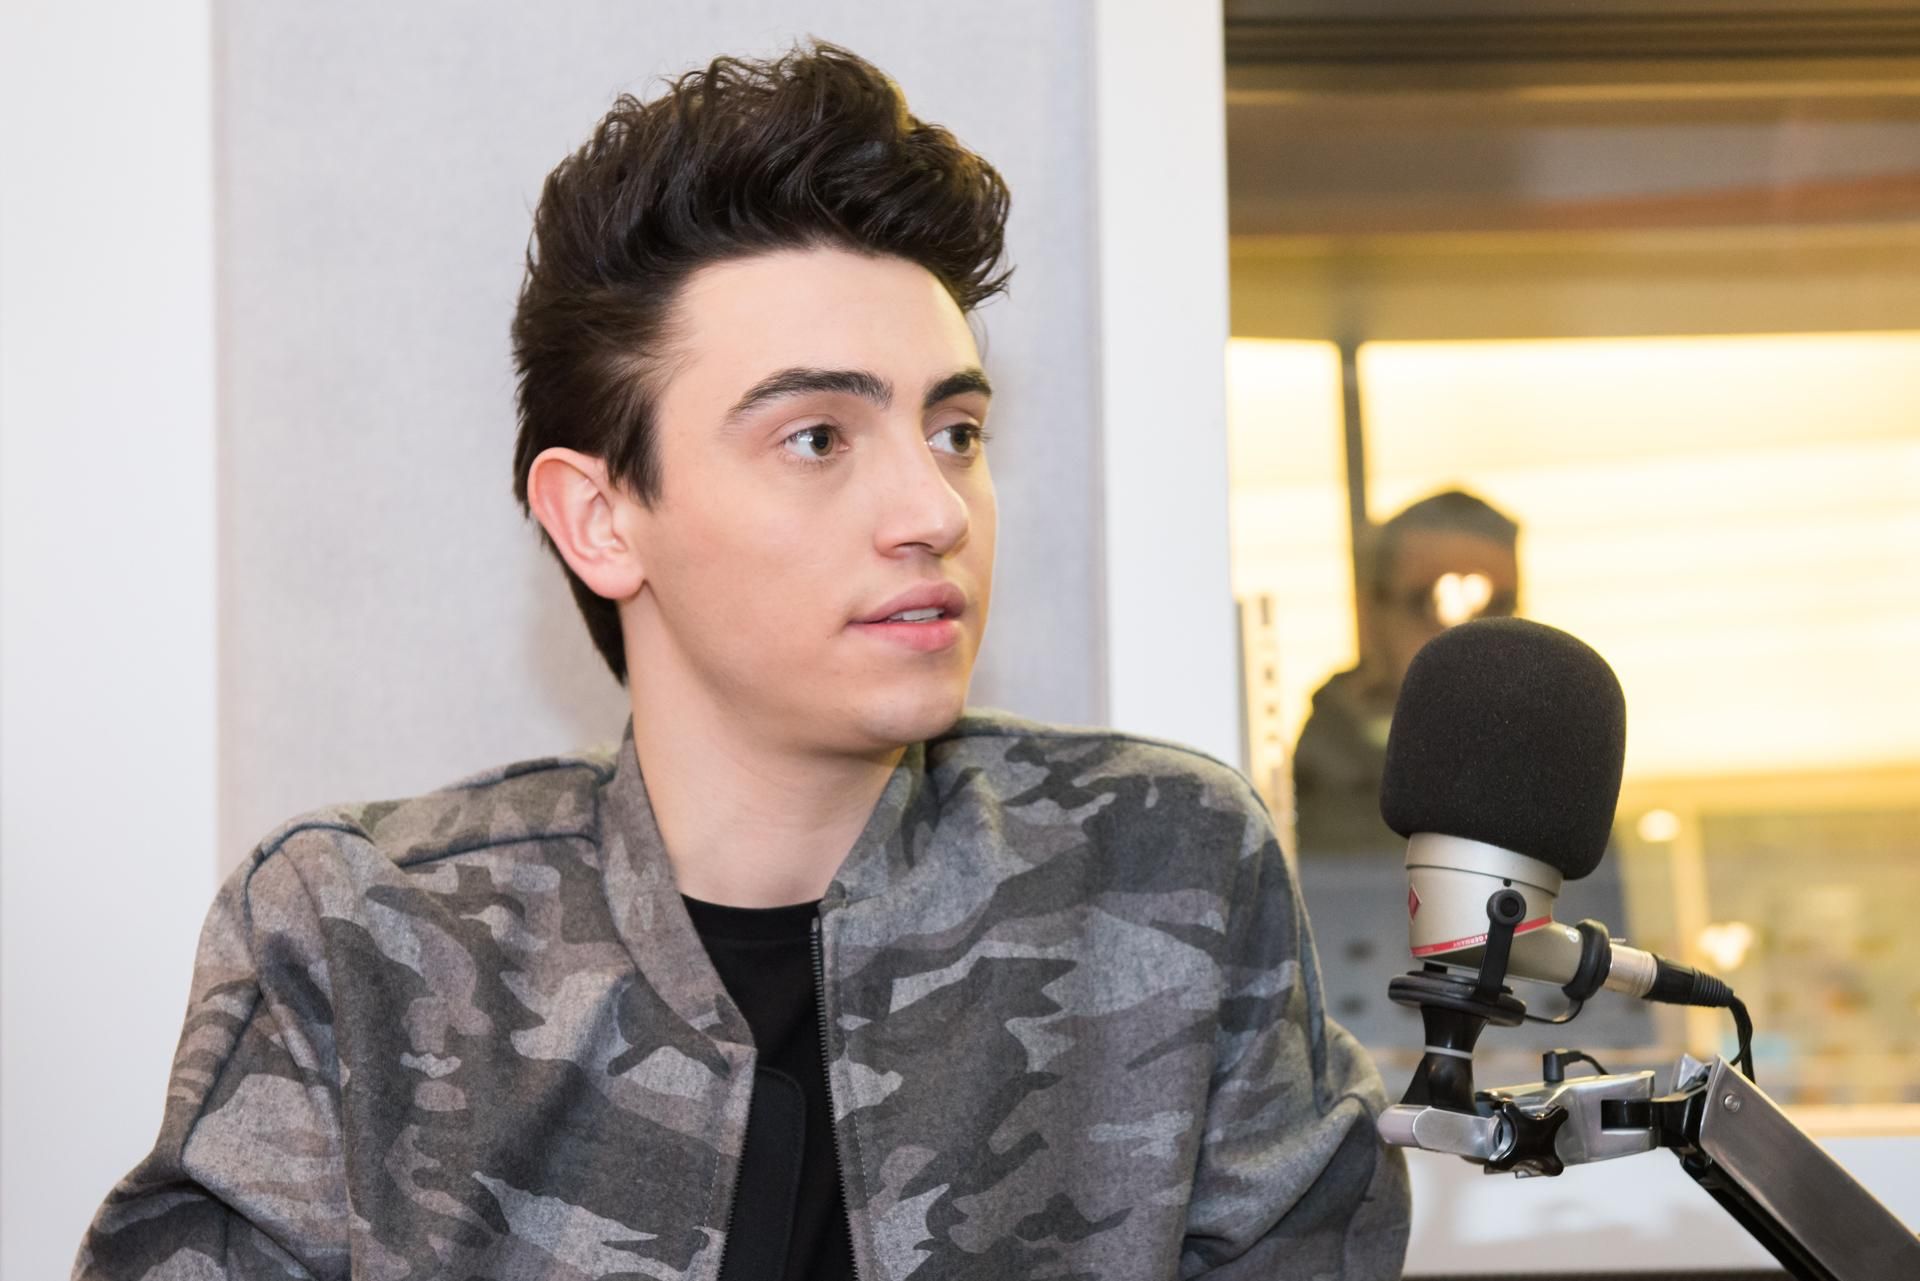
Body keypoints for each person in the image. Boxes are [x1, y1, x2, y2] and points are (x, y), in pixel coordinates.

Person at [76, 43, 1408, 1281]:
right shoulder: (366, 940)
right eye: (817, 438)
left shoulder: (1165, 872)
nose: (933, 510)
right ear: (601, 519)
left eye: (955, 432)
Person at [1292, 490, 1519, 857]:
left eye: (1497, 605)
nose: (1466, 629)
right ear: (1370, 613)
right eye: (1434, 600)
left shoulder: (1537, 767)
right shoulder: (1323, 771)